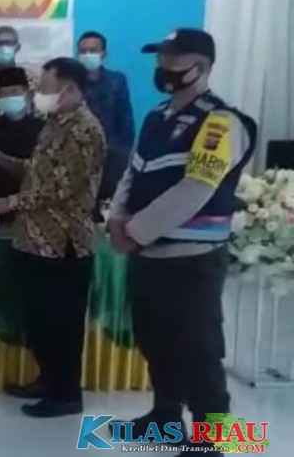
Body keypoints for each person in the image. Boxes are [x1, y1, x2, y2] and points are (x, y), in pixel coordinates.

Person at [107, 30, 256, 457]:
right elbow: (133, 171)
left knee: (197, 349)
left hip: (191, 258)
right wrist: (116, 218)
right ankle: (165, 418)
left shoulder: (221, 122)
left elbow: (196, 189)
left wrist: (136, 230)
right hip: (149, 255)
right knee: (156, 341)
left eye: (174, 59)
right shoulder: (157, 117)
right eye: (162, 58)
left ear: (201, 67)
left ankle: (212, 439)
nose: (163, 67)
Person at [0, 57, 105, 419]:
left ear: (69, 88)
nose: (40, 94)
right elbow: (39, 172)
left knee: (61, 323)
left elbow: (60, 188)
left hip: (64, 243)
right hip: (34, 240)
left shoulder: (84, 130)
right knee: (39, 319)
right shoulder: (55, 124)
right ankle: (48, 380)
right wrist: (4, 161)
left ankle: (66, 394)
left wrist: (8, 202)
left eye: (46, 87)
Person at [78, 31, 135, 210]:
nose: (87, 55)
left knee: (108, 208)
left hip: (112, 157)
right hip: (80, 157)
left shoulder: (117, 81)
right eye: (83, 51)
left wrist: (121, 155)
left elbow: (126, 122)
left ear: (104, 54)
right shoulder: (72, 84)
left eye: (92, 50)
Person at [0, 67, 46, 206]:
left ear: (27, 94)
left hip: (32, 206)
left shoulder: (44, 129)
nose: (9, 98)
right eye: (4, 94)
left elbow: (43, 173)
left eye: (14, 92)